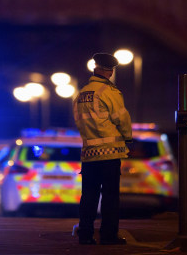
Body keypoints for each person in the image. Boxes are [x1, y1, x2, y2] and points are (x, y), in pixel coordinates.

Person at [73, 53, 133, 245]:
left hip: (89, 154)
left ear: (95, 67)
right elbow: (121, 118)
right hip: (109, 153)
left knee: (88, 196)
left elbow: (80, 122)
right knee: (110, 197)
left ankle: (85, 235)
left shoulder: (82, 93)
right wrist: (128, 137)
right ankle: (108, 236)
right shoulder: (109, 92)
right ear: (110, 71)